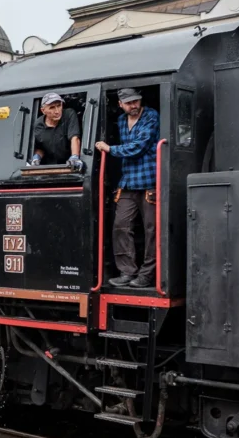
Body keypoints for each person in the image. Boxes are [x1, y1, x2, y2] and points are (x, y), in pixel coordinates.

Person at [95, 88, 160, 289]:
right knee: (121, 226)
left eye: (136, 101)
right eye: (129, 102)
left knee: (152, 230)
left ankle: (147, 275)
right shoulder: (122, 121)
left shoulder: (151, 116)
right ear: (120, 104)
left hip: (149, 180)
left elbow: (138, 146)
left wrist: (110, 149)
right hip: (128, 182)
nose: (133, 105)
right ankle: (127, 271)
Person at [29, 93, 83, 170]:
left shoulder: (69, 115)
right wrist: (36, 158)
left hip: (70, 165)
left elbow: (75, 138)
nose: (57, 111)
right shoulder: (38, 125)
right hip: (51, 168)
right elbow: (40, 147)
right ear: (43, 111)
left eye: (59, 105)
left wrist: (75, 157)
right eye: (52, 107)